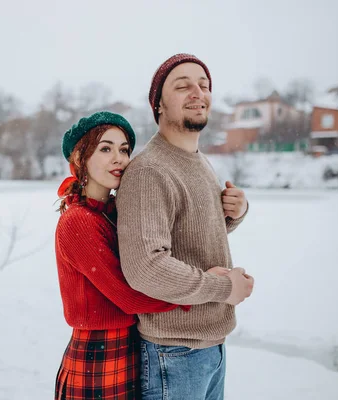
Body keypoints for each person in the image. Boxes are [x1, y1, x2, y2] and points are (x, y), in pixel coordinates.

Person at [116, 54, 255, 399]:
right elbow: (146, 268)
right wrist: (225, 289)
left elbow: (188, 234)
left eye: (204, 85)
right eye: (183, 86)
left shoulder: (199, 162)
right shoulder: (150, 171)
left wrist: (232, 215)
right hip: (174, 355)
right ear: (159, 105)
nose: (198, 92)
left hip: (209, 347)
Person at [54, 111, 190, 400]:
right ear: (80, 158)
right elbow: (127, 295)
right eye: (105, 148)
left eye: (124, 149)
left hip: (129, 349)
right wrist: (194, 293)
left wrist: (229, 213)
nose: (119, 158)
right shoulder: (78, 220)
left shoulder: (114, 212)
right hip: (97, 357)